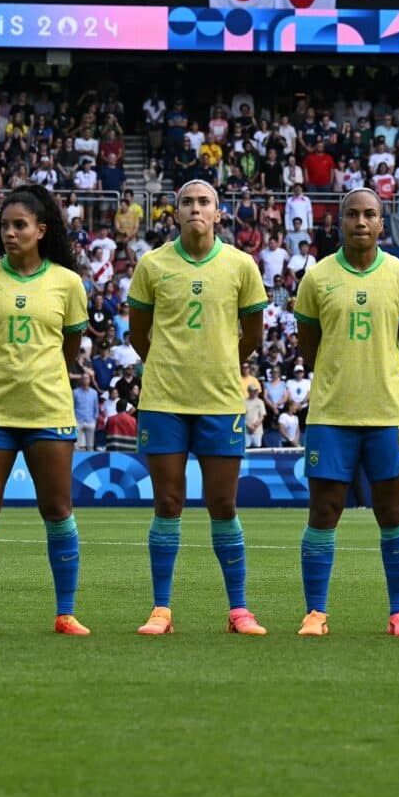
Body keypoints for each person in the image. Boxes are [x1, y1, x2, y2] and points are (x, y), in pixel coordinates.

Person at [0, 184, 92, 636]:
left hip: (48, 410)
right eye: (4, 226)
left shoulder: (67, 283)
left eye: (19, 225)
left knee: (57, 508)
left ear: (41, 231)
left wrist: (39, 374)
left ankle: (65, 612)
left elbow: (69, 346)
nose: (9, 233)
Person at [126, 181, 271, 636]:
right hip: (164, 400)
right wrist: (174, 365)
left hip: (221, 400)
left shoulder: (240, 266)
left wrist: (216, 363)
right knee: (167, 503)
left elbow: (253, 335)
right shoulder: (152, 265)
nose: (195, 209)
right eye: (187, 202)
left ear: (218, 213)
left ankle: (238, 610)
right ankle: (161, 610)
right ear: (175, 212)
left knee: (223, 504)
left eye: (203, 202)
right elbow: (138, 334)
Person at [290, 187, 399, 637]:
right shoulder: (317, 277)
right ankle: (316, 613)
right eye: (352, 214)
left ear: (382, 223)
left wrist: (379, 374)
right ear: (340, 222)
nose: (361, 222)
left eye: (370, 214)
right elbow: (309, 344)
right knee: (324, 511)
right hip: (332, 413)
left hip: (387, 411)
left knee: (392, 512)